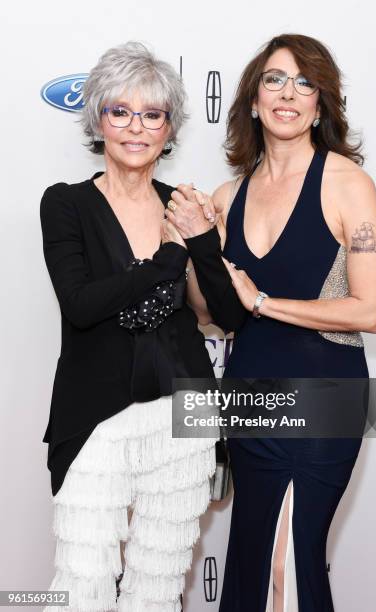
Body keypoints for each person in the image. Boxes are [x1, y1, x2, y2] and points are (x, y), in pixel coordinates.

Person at [165, 33, 376, 612]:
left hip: (323, 398)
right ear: (253, 99)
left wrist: (263, 301)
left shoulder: (347, 183)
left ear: (321, 103)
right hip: (249, 399)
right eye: (274, 79)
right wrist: (193, 247)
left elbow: (368, 309)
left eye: (304, 82)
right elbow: (213, 312)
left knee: (288, 560)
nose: (289, 93)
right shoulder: (228, 194)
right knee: (250, 557)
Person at [40, 41, 218, 612]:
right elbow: (82, 304)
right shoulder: (65, 204)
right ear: (98, 119)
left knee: (159, 586)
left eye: (153, 114)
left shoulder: (185, 206)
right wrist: (170, 256)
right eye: (121, 111)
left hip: (184, 412)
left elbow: (225, 317)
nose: (136, 127)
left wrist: (205, 245)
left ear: (169, 128)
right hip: (96, 414)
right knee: (81, 585)